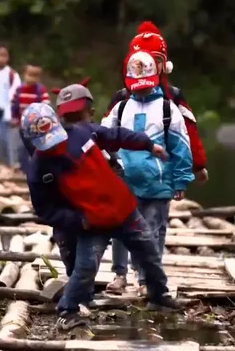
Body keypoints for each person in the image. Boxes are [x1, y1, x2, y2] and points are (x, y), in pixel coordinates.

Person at [21, 102, 181, 331]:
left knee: (148, 252)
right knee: (85, 267)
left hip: (124, 210)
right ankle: (68, 311)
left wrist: (147, 144)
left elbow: (116, 135)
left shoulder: (83, 133)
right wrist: (78, 221)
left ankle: (159, 294)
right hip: (92, 222)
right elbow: (45, 210)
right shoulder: (38, 170)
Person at [101, 50, 195, 295]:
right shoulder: (121, 108)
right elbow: (102, 137)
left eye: (145, 86)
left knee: (153, 231)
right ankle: (119, 274)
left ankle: (145, 279)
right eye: (136, 86)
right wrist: (107, 165)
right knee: (121, 229)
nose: (140, 91)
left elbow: (180, 145)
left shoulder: (167, 108)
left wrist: (181, 180)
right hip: (125, 181)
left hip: (158, 182)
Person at [106, 21, 209, 183]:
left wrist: (197, 165)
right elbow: (105, 135)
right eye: (142, 63)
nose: (150, 65)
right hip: (126, 172)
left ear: (165, 64)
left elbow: (188, 132)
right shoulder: (121, 100)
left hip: (163, 174)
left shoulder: (173, 97)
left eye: (156, 60)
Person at [11, 64, 49, 173]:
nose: (31, 78)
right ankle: (24, 169)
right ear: (24, 75)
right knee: (21, 148)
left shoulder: (40, 91)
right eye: (29, 75)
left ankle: (34, 169)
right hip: (22, 124)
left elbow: (45, 105)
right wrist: (14, 117)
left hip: (35, 126)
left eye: (35, 76)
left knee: (33, 148)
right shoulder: (19, 90)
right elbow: (14, 105)